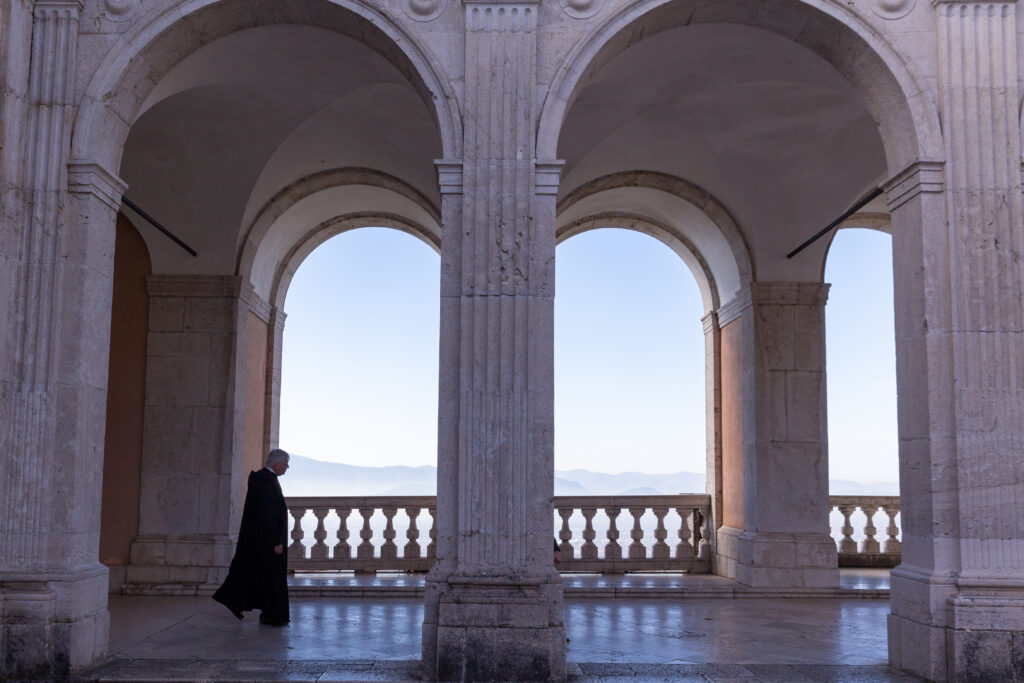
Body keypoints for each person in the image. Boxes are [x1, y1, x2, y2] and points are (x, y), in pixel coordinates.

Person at [213, 449, 291, 626]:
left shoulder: (264, 479)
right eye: (286, 463)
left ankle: (269, 613)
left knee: (265, 577)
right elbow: (268, 515)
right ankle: (272, 616)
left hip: (262, 541)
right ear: (276, 464)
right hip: (268, 543)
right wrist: (276, 542)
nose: (287, 467)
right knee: (271, 579)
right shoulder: (265, 482)